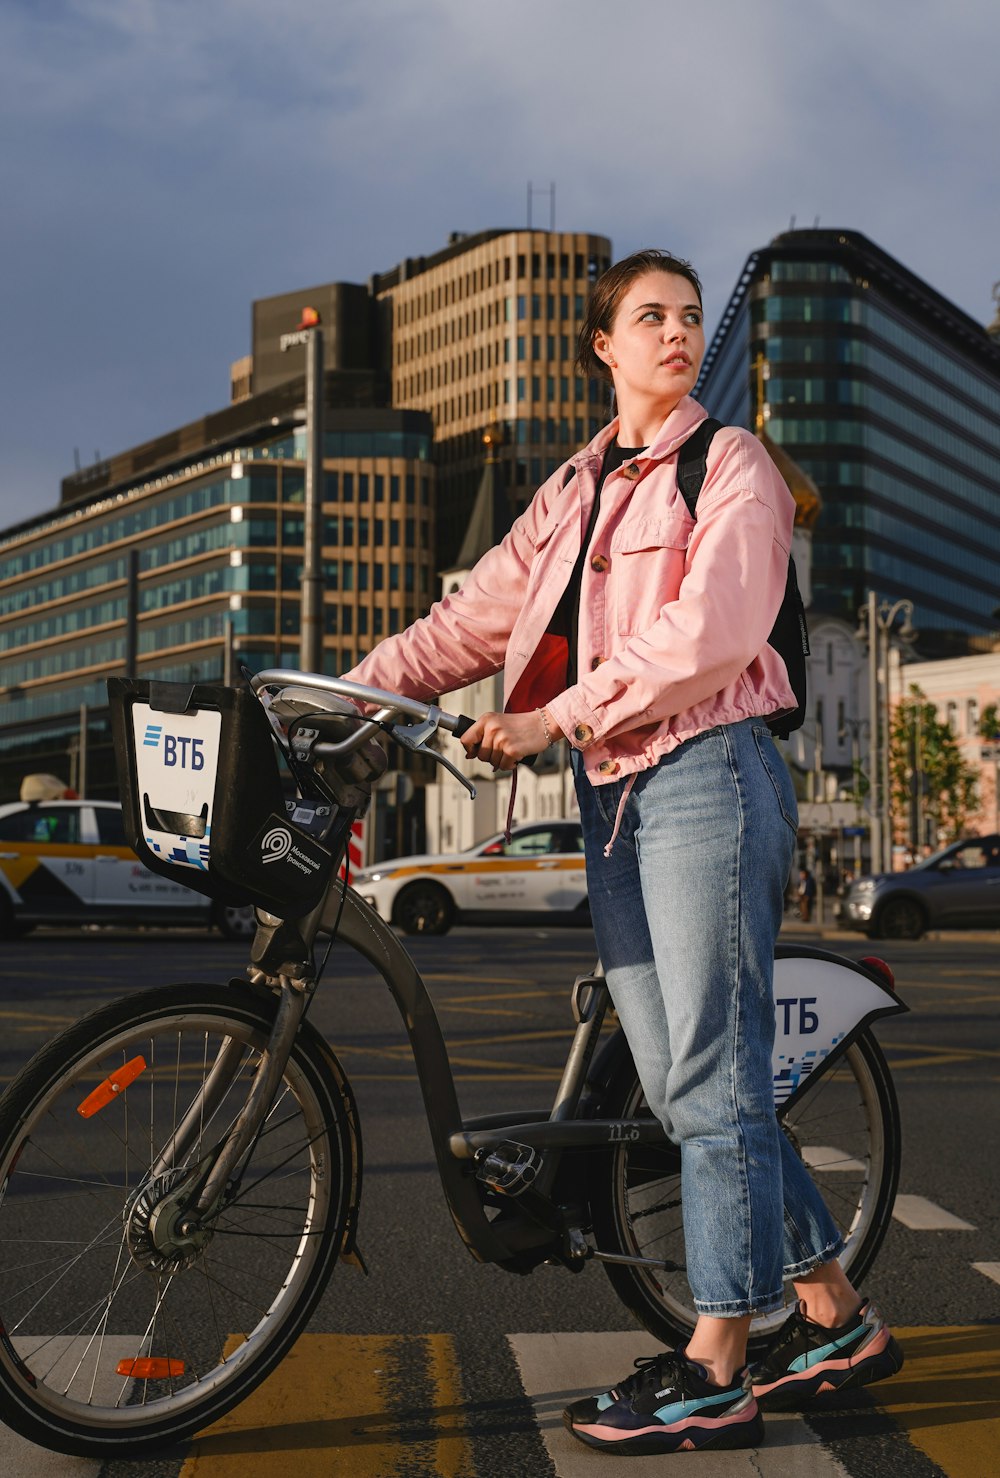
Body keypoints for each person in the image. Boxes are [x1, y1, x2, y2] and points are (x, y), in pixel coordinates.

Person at [343, 248, 902, 1456]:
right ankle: (835, 1313)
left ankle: (717, 1359)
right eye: (649, 316)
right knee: (687, 1084)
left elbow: (711, 631)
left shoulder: (731, 464)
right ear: (600, 345)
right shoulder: (573, 490)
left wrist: (553, 715)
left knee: (704, 1073)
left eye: (690, 317)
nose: (676, 332)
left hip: (706, 773)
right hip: (612, 798)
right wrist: (347, 697)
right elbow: (468, 620)